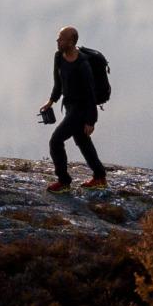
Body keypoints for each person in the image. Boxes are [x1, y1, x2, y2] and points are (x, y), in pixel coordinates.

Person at [38, 25, 107, 192]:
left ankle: (64, 182)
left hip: (81, 109)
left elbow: (91, 94)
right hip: (69, 107)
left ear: (70, 42)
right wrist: (51, 101)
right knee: (82, 141)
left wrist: (91, 121)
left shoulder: (82, 64)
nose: (57, 41)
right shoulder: (59, 57)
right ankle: (100, 177)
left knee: (56, 141)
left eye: (61, 39)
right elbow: (58, 84)